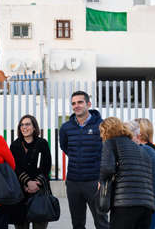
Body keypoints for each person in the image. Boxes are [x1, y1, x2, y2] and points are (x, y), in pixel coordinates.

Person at [59, 91, 109, 229]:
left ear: (88, 104)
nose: (76, 106)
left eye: (80, 102)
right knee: (77, 224)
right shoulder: (66, 127)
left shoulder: (102, 125)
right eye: (73, 103)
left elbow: (108, 150)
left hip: (95, 182)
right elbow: (64, 147)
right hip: (73, 182)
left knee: (101, 222)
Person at [99, 117, 155, 229]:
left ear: (106, 131)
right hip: (146, 206)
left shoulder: (111, 142)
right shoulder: (140, 149)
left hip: (125, 204)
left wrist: (101, 182)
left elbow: (107, 169)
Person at [9, 114, 52, 229]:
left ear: (34, 127)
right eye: (22, 125)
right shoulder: (14, 146)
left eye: (27, 124)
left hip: (40, 190)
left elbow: (46, 165)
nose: (24, 127)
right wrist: (28, 182)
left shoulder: (42, 143)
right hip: (20, 191)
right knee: (21, 225)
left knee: (40, 225)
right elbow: (14, 167)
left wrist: (36, 183)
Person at [126, 119, 155, 229]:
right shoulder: (136, 148)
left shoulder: (148, 149)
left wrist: (149, 196)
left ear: (140, 133)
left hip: (149, 201)